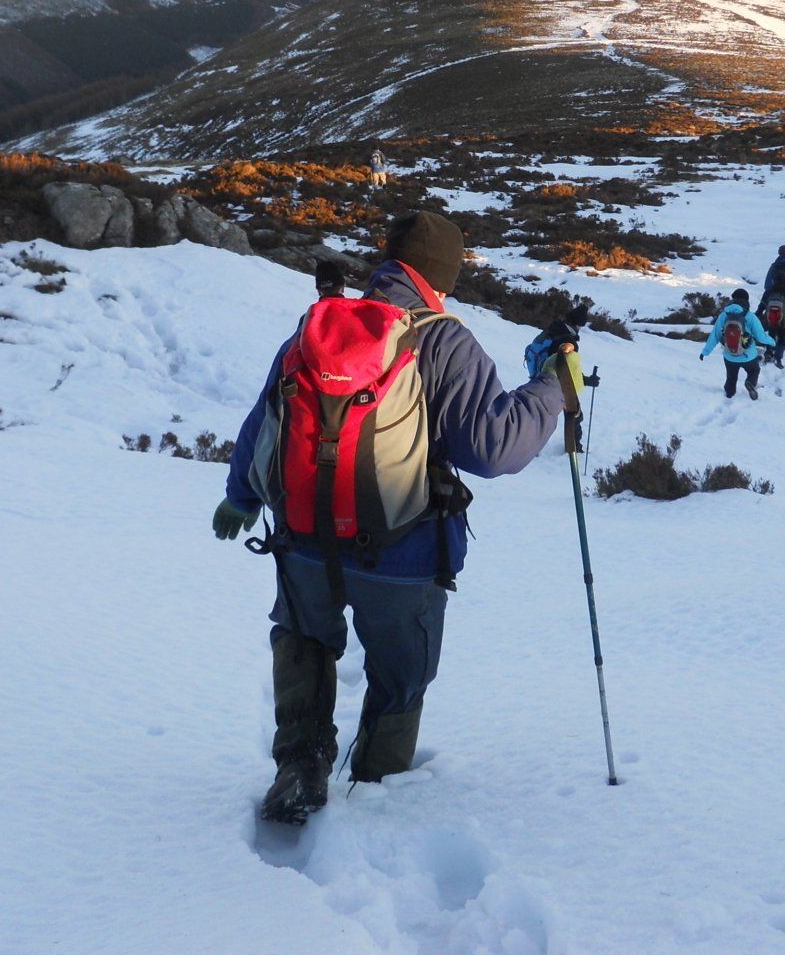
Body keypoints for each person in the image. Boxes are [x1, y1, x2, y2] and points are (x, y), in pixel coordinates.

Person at [213, 210, 567, 824]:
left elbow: (266, 416)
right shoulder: (443, 339)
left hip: (304, 540)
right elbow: (494, 448)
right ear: (444, 276)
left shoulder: (322, 323)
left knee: (303, 642)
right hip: (403, 552)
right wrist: (551, 386)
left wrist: (241, 494)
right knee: (401, 671)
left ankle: (300, 766)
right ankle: (377, 788)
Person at [699, 286, 775, 400]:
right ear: (747, 300)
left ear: (733, 299)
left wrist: (705, 352)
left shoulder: (724, 315)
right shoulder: (750, 316)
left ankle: (729, 394)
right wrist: (773, 342)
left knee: (731, 377)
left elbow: (715, 335)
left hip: (729, 355)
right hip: (748, 356)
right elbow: (761, 337)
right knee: (754, 370)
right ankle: (750, 382)